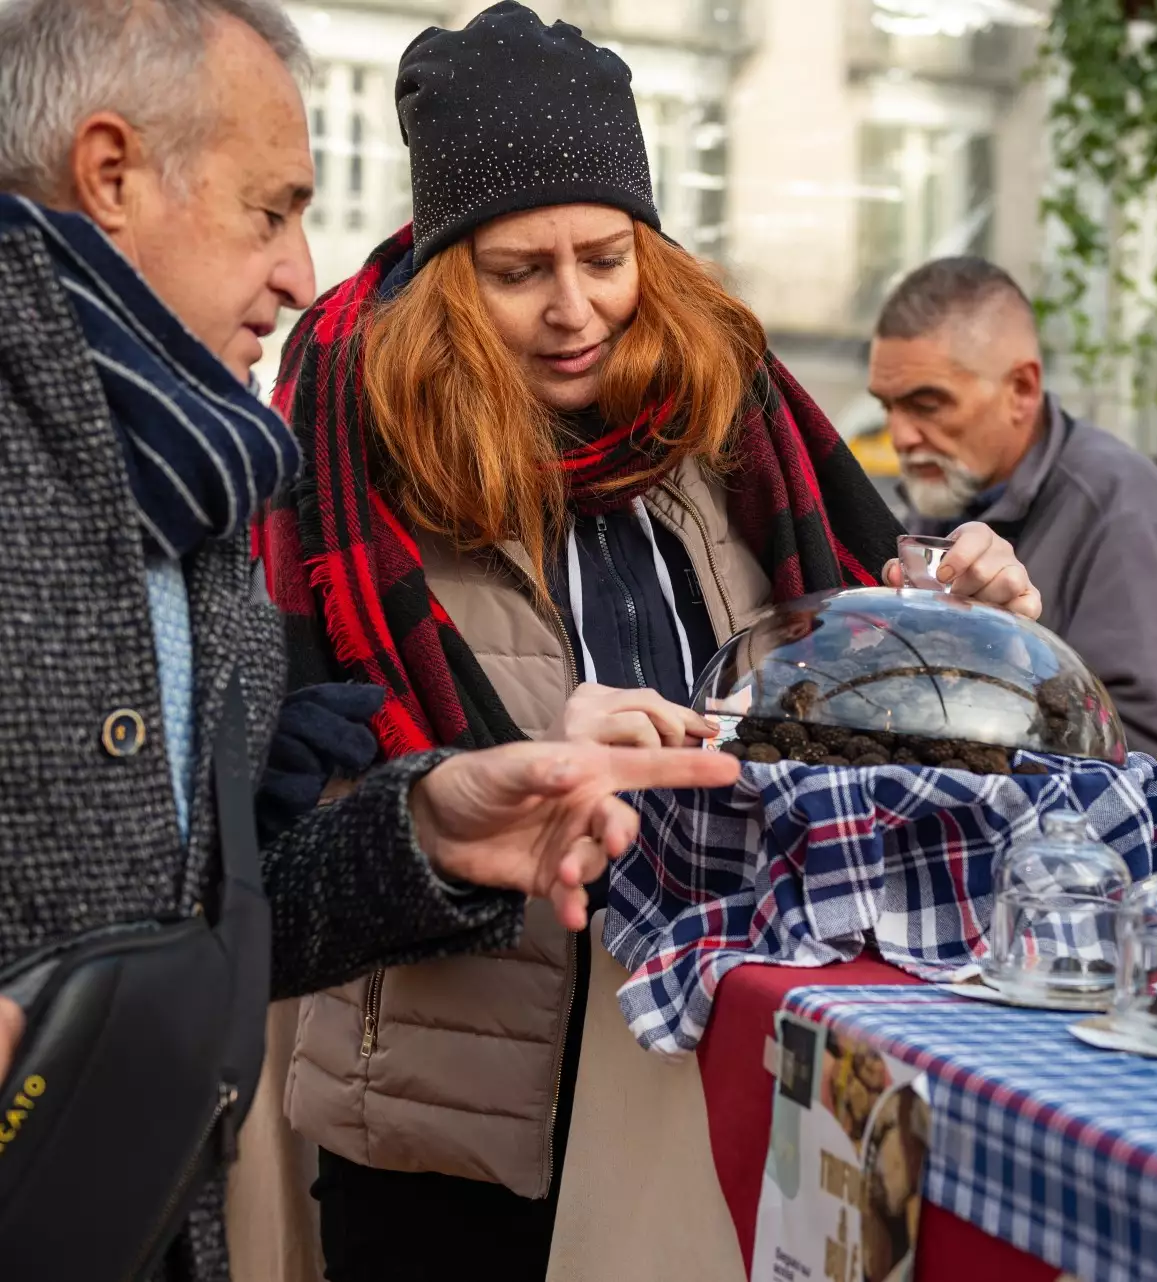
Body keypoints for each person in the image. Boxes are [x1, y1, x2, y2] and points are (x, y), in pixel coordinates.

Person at [262, 6, 1042, 1279]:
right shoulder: (348, 462)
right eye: (521, 271)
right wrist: (527, 763)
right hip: (460, 1127)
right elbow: (279, 824)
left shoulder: (733, 436)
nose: (576, 309)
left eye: (606, 258)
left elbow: (844, 692)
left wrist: (959, 632)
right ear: (452, 274)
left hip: (708, 1076)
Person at [0, 2, 740, 1279]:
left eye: (603, 257)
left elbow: (211, 924)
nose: (302, 273)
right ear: (111, 174)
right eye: (270, 208)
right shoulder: (301, 468)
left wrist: (430, 832)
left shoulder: (203, 494)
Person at [875, 256, 1157, 758]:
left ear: (1022, 390)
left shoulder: (1125, 510)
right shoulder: (945, 495)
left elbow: (1150, 753)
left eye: (928, 404)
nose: (900, 435)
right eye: (888, 405)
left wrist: (1000, 657)